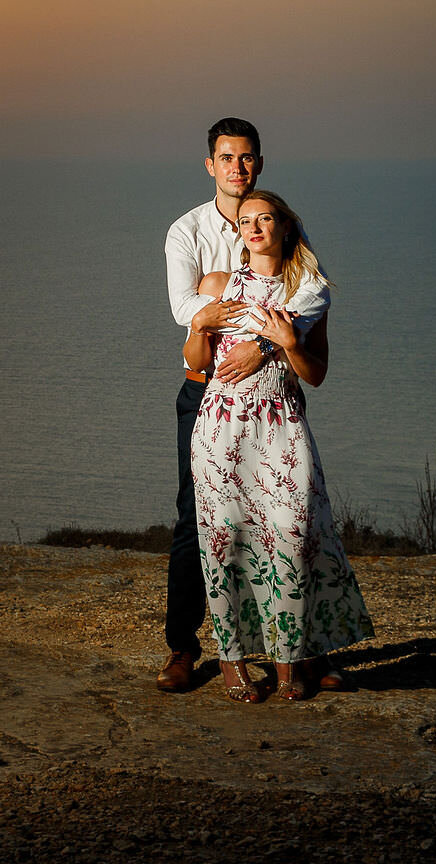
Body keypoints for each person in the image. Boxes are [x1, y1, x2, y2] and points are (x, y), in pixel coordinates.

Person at [157, 119, 330, 693]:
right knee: (199, 525)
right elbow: (189, 311)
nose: (237, 167)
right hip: (206, 392)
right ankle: (184, 647)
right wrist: (229, 314)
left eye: (247, 158)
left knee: (291, 527)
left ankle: (303, 653)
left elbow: (306, 295)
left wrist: (263, 344)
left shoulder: (283, 221)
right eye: (226, 158)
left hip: (273, 402)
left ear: (259, 163)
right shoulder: (188, 232)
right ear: (211, 165)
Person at [181, 189, 373, 701]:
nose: (255, 227)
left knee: (292, 536)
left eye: (265, 219)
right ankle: (231, 660)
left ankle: (291, 661)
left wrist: (284, 344)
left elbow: (316, 375)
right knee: (225, 544)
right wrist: (201, 322)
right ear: (238, 231)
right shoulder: (220, 284)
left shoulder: (309, 291)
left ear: (286, 226)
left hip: (281, 425)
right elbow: (198, 362)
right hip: (220, 427)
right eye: (246, 221)